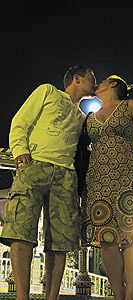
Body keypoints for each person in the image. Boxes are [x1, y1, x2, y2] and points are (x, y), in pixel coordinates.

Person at [0, 66, 98, 300]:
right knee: (22, 230)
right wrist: (20, 151)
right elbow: (20, 121)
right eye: (91, 79)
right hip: (35, 165)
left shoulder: (82, 118)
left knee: (61, 240)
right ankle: (22, 296)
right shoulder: (47, 92)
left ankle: (50, 297)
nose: (95, 84)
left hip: (65, 175)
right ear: (76, 79)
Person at [80, 75, 133, 300]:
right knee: (106, 238)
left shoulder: (129, 105)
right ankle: (118, 296)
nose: (97, 84)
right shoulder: (89, 117)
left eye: (101, 81)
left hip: (128, 175)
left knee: (132, 236)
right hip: (98, 180)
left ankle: (130, 296)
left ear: (113, 84)